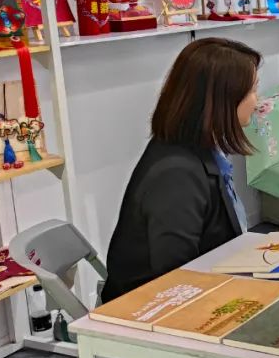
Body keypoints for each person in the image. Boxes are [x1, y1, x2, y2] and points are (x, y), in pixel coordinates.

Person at [102, 38, 260, 302]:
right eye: (253, 90)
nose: (257, 100)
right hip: (153, 309)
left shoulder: (198, 150)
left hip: (206, 286)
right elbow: (176, 279)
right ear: (223, 98)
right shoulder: (176, 174)